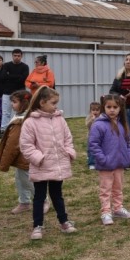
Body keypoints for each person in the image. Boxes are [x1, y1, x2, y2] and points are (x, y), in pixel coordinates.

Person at [19, 86, 77, 241]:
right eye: (53, 103)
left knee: (57, 195)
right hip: (41, 166)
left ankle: (64, 221)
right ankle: (37, 226)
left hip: (57, 166)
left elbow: (68, 138)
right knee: (39, 197)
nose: (56, 106)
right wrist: (39, 158)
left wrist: (69, 152)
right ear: (42, 102)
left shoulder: (60, 119)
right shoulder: (30, 122)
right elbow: (26, 145)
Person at [0, 89, 50, 215]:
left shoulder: (23, 120)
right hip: (21, 156)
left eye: (14, 102)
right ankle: (24, 202)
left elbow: (13, 144)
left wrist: (4, 162)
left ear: (24, 103)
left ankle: (43, 200)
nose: (11, 105)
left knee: (28, 180)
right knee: (19, 179)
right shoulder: (18, 116)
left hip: (27, 156)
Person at [88, 94, 130, 226]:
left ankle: (118, 208)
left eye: (115, 107)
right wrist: (103, 159)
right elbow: (93, 144)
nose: (112, 110)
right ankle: (106, 211)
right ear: (104, 107)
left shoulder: (122, 124)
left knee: (118, 187)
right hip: (106, 165)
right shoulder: (98, 125)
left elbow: (129, 142)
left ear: (120, 108)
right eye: (109, 107)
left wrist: (129, 156)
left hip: (119, 164)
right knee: (105, 189)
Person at [0, 49, 29, 135]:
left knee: (20, 111)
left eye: (18, 56)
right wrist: (17, 77)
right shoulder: (6, 65)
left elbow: (23, 78)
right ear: (12, 56)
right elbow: (3, 77)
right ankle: (4, 130)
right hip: (7, 92)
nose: (16, 57)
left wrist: (10, 76)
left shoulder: (25, 67)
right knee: (6, 112)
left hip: (20, 93)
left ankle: (20, 129)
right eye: (15, 55)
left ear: (21, 56)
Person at [85, 101, 102, 171]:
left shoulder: (102, 117)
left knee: (99, 149)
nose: (95, 112)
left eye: (97, 110)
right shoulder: (89, 117)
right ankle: (91, 163)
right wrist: (92, 120)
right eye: (93, 110)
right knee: (91, 149)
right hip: (91, 136)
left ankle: (99, 161)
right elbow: (87, 125)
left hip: (100, 137)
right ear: (90, 111)